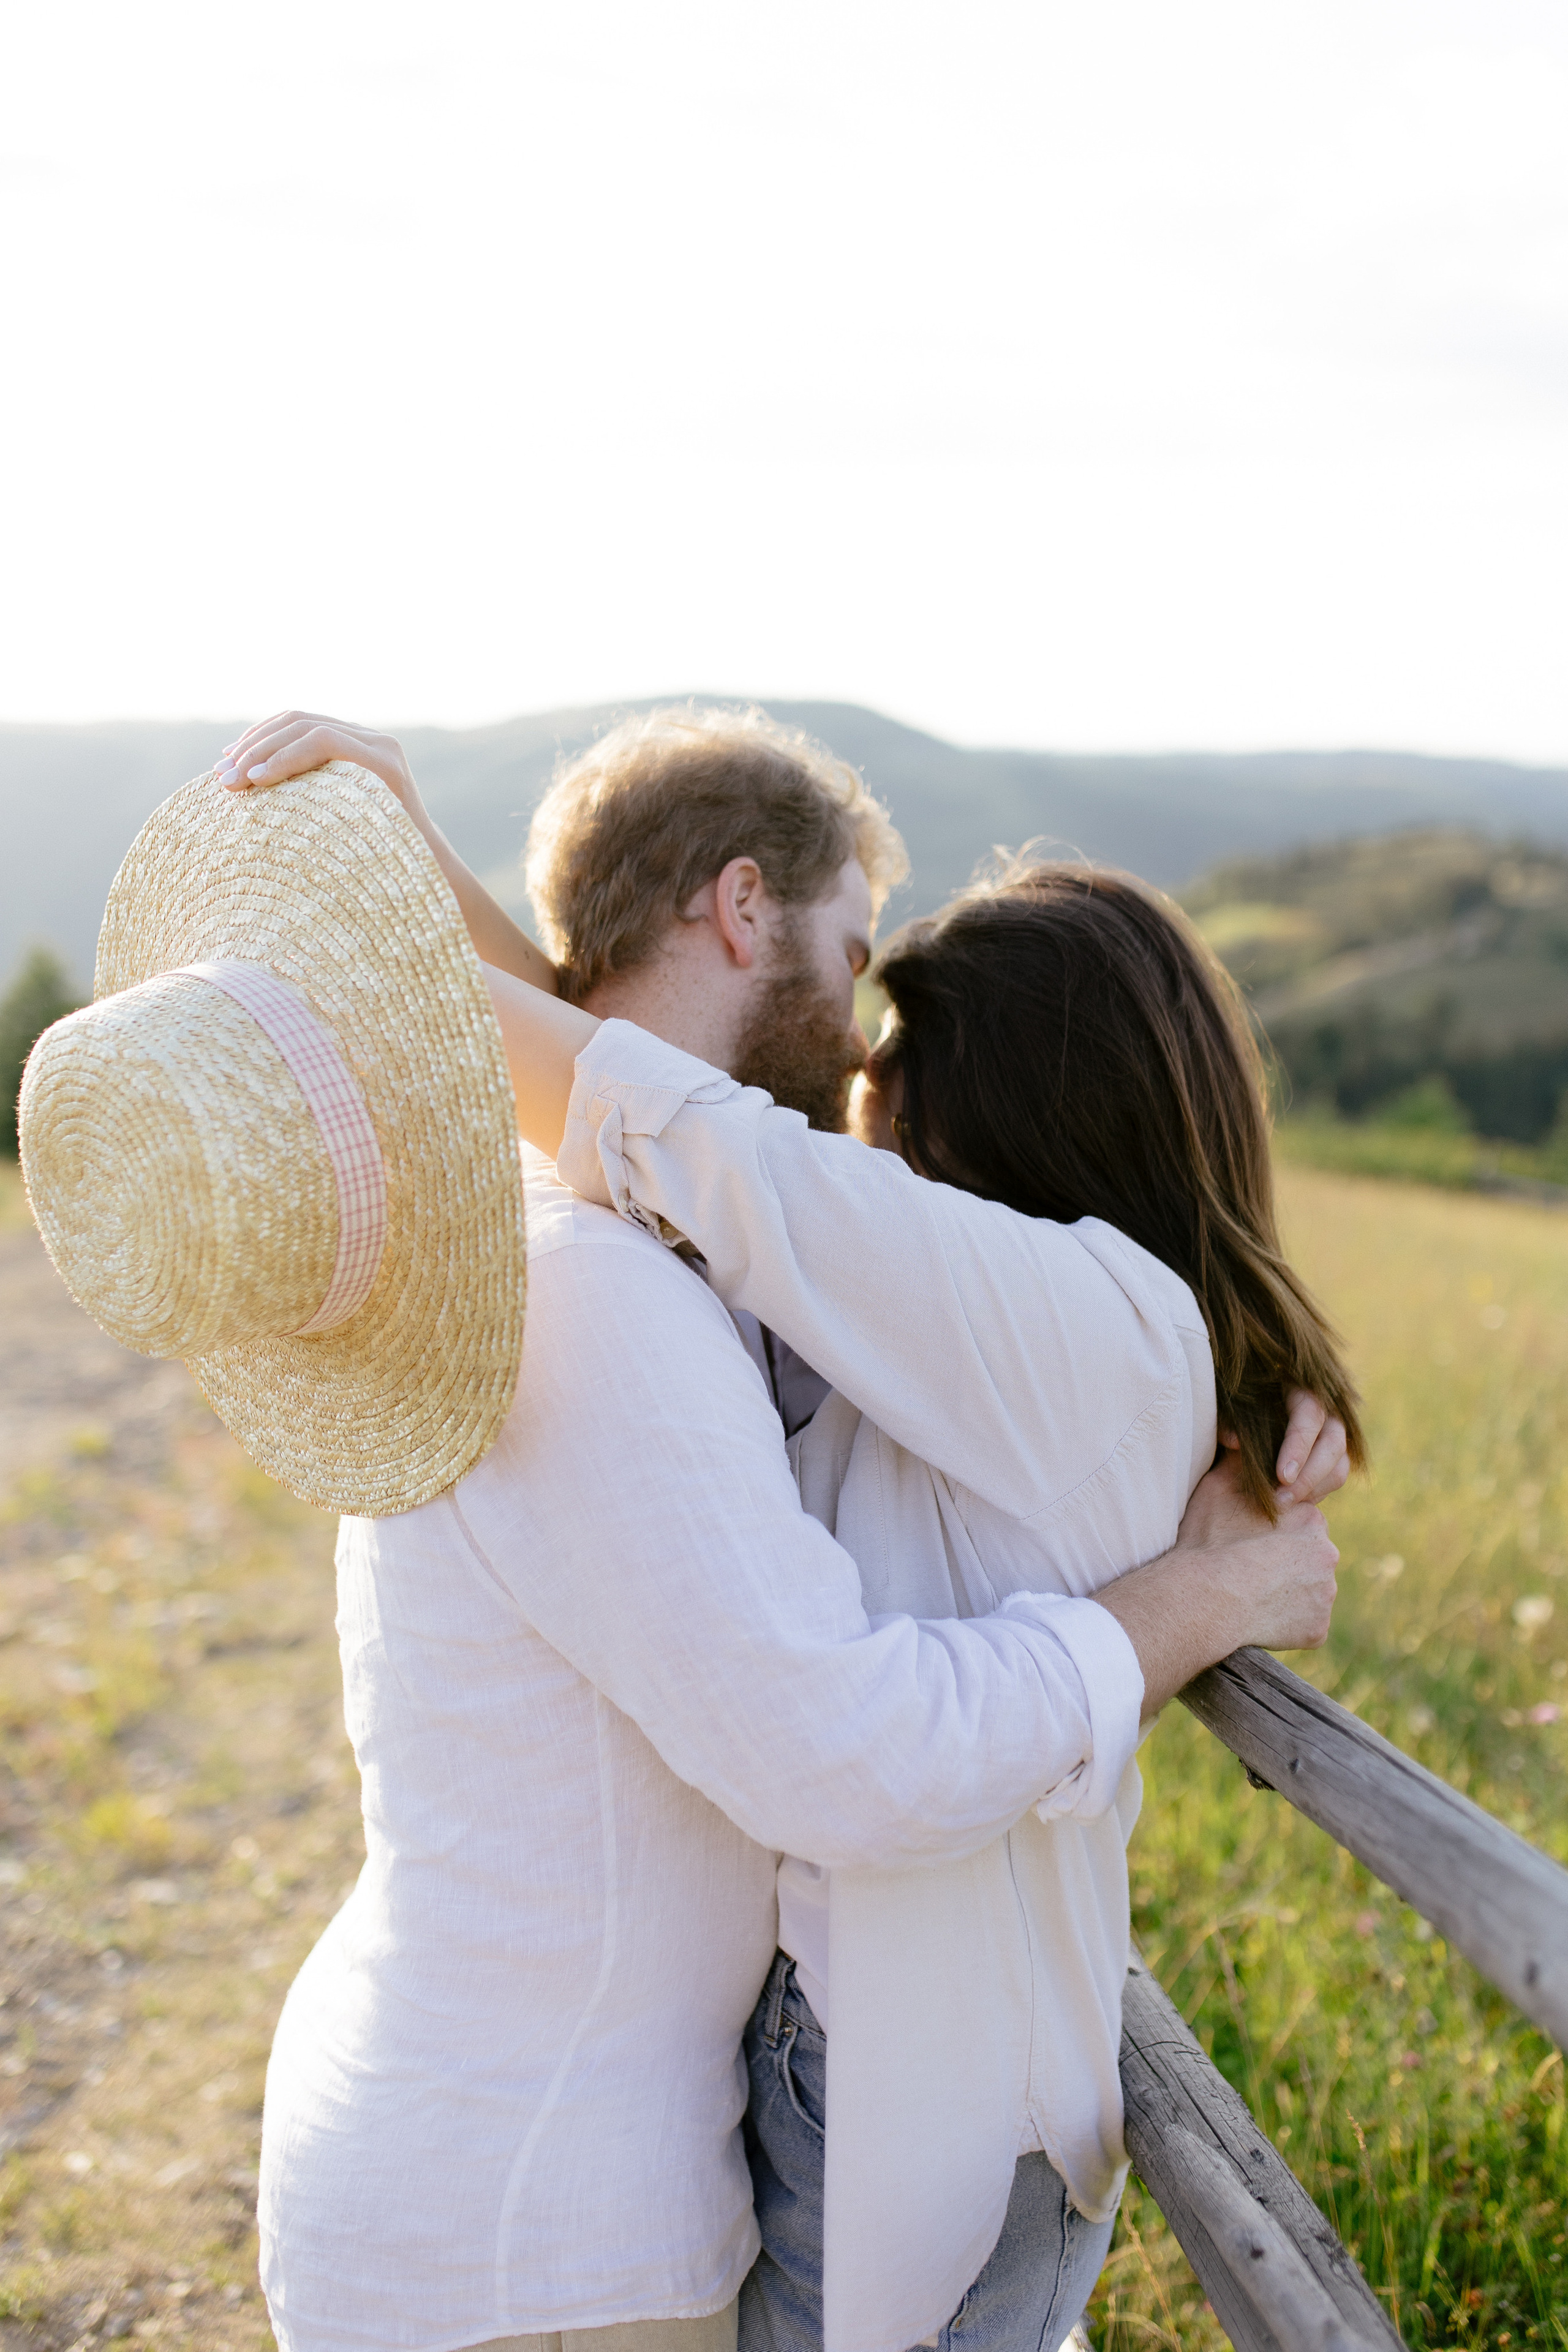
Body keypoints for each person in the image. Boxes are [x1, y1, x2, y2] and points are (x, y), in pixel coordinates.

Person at [214, 709, 1348, 2352]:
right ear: (745, 912)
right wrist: (1202, 1589)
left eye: (903, 1054)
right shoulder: (611, 1275)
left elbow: (683, 1124)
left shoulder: (823, 1271)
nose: (866, 1082)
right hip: (556, 2212)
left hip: (700, 2150)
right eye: (854, 960)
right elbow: (676, 1127)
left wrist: (394, 920)